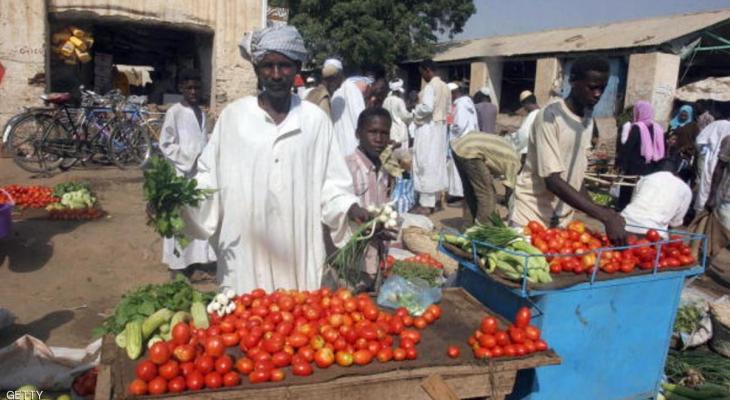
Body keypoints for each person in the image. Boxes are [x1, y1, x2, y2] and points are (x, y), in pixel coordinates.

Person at [180, 25, 368, 293]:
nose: (276, 74)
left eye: (285, 66)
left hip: (297, 249)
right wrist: (180, 201)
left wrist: (351, 208)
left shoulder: (315, 121)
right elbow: (208, 177)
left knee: (297, 325)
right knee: (243, 324)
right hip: (244, 248)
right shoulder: (234, 118)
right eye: (268, 66)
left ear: (297, 68)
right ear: (257, 70)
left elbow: (333, 184)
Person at [509, 56, 627, 244]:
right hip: (531, 218)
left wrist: (601, 210)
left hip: (562, 222)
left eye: (602, 88)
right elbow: (553, 180)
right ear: (573, 80)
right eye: (592, 87)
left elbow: (575, 178)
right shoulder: (549, 117)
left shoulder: (587, 122)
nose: (598, 94)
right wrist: (603, 215)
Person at [158, 68, 217, 277]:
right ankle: (178, 264)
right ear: (181, 89)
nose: (193, 91)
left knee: (196, 218)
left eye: (197, 88)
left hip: (198, 175)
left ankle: (196, 261)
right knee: (180, 220)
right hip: (181, 173)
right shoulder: (175, 112)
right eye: (189, 88)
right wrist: (187, 159)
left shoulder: (201, 112)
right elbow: (165, 143)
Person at [451, 133, 521, 223]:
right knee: (487, 194)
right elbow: (510, 193)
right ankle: (484, 227)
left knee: (471, 191)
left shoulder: (512, 151)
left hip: (459, 146)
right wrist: (512, 214)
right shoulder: (515, 165)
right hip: (471, 152)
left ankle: (468, 226)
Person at [411, 59, 450, 215]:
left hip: (428, 128)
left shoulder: (430, 87)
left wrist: (415, 111)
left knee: (425, 163)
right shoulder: (445, 87)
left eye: (422, 74)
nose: (423, 77)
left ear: (427, 70)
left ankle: (426, 204)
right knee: (436, 163)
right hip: (440, 128)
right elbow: (447, 109)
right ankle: (435, 200)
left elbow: (427, 107)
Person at [621, 158, 691, 237]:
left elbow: (633, 201)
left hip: (624, 222)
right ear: (676, 172)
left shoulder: (645, 178)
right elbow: (675, 222)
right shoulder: (685, 189)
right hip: (652, 232)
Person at [616, 100, 666, 210]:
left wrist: (621, 165)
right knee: (643, 191)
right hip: (651, 167)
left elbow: (628, 148)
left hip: (634, 167)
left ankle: (622, 210)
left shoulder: (637, 127)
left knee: (627, 191)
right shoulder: (658, 128)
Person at [447, 82, 478, 199]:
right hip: (469, 140)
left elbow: (459, 125)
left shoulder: (460, 105)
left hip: (460, 141)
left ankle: (458, 194)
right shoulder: (468, 103)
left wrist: (451, 128)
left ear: (454, 93)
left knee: (457, 168)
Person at [695, 120, 730, 212]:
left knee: (705, 188)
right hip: (720, 163)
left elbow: (700, 140)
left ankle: (700, 214)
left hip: (711, 159)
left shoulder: (717, 124)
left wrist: (703, 152)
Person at [331, 76, 371, 156]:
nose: (366, 94)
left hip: (339, 146)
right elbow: (360, 117)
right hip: (354, 145)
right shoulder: (353, 90)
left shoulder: (336, 93)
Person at [509, 90, 540, 162]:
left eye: (523, 106)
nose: (524, 109)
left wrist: (512, 140)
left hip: (528, 153)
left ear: (527, 103)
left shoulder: (532, 115)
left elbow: (524, 135)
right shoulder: (541, 113)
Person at [382, 78, 412, 148]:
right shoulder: (399, 101)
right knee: (401, 152)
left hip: (389, 128)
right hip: (399, 129)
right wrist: (412, 115)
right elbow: (405, 116)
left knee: (389, 150)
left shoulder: (386, 100)